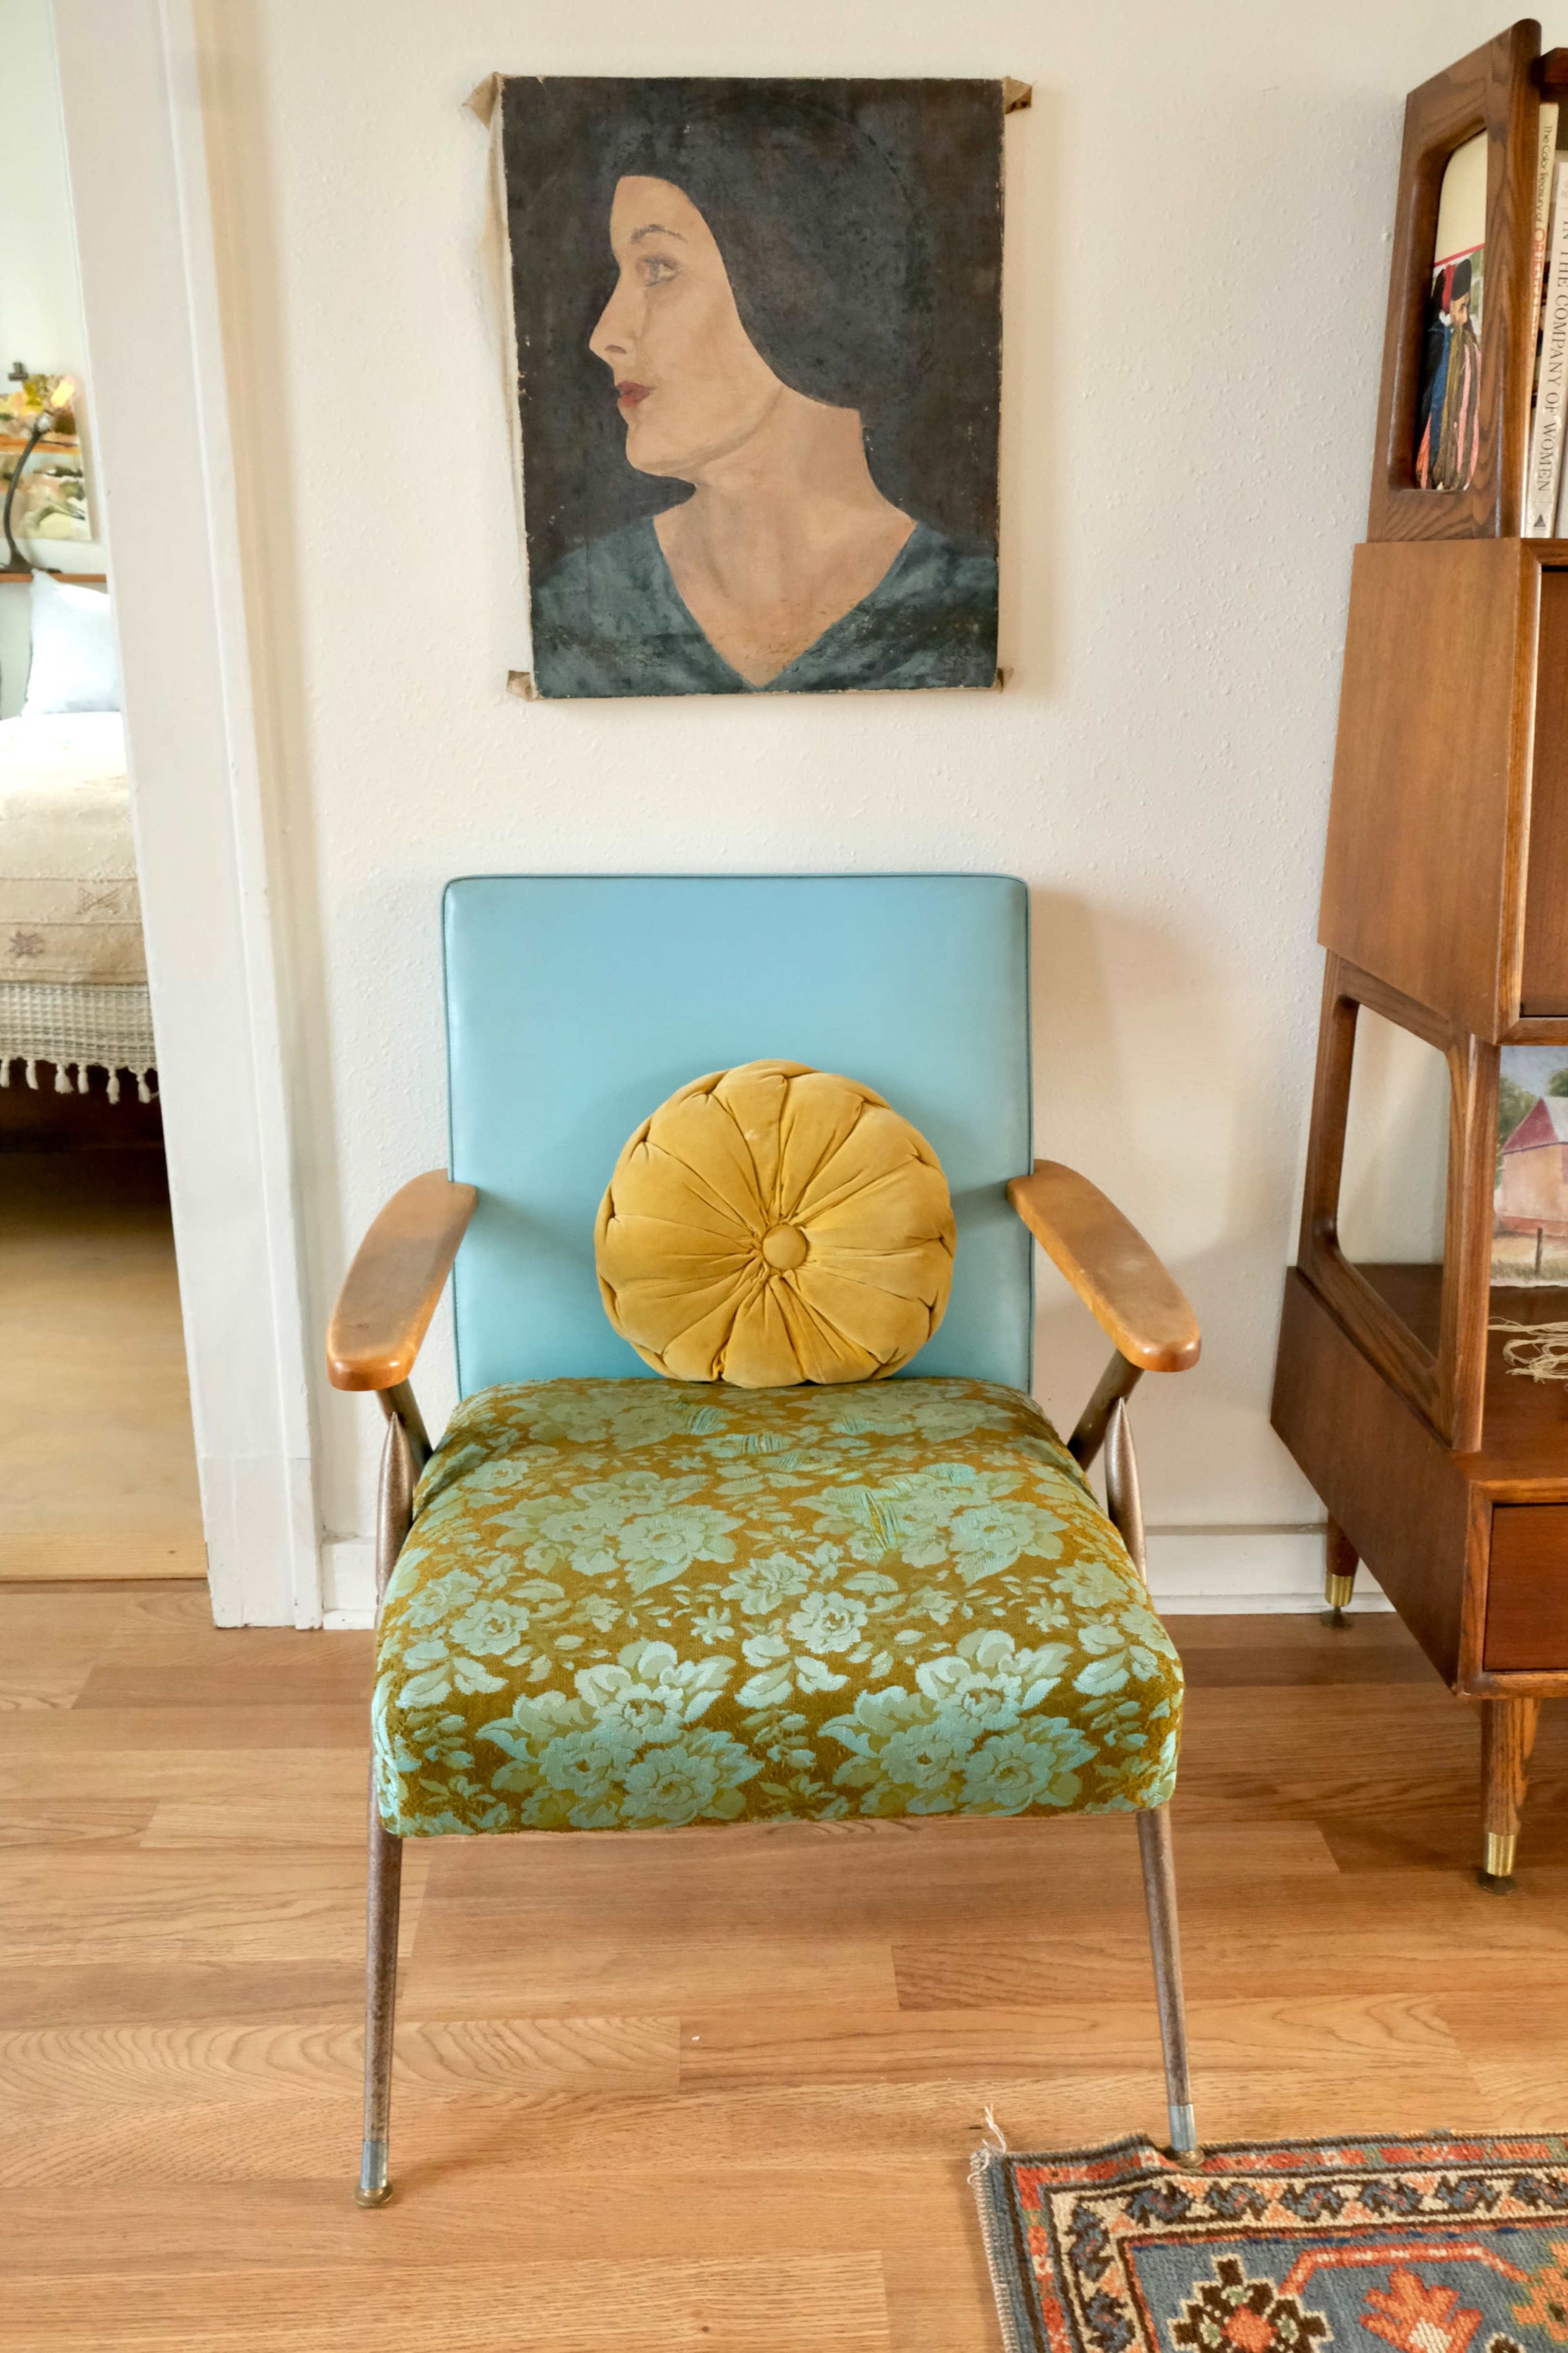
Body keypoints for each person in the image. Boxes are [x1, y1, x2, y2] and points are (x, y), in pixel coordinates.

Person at [529, 100, 998, 698]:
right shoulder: (576, 612)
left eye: (659, 269)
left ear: (797, 282)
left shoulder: (970, 615)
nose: (605, 336)